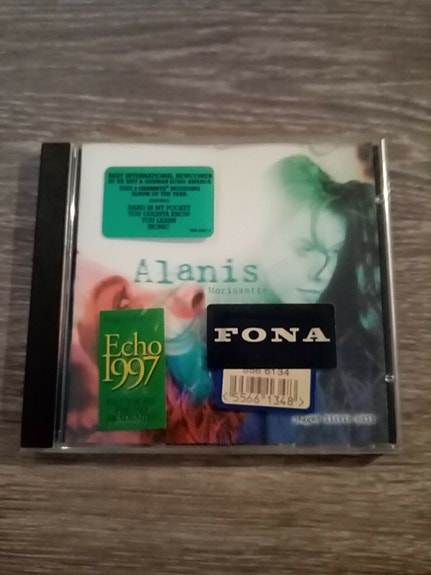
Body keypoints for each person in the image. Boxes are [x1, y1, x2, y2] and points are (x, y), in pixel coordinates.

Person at [237, 154, 389, 446]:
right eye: (305, 249)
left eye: (334, 252)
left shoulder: (352, 340)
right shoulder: (201, 325)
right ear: (259, 240)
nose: (323, 273)